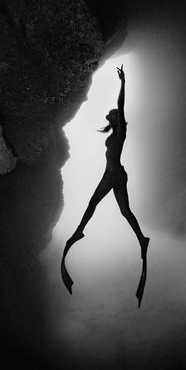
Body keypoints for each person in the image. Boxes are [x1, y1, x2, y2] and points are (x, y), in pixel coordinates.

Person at [61, 65, 149, 306]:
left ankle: (140, 239)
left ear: (118, 118)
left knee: (119, 210)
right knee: (109, 207)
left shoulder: (120, 132)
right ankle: (139, 239)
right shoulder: (113, 134)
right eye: (110, 114)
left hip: (115, 175)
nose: (108, 115)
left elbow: (121, 105)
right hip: (110, 174)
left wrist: (123, 82)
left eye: (112, 114)